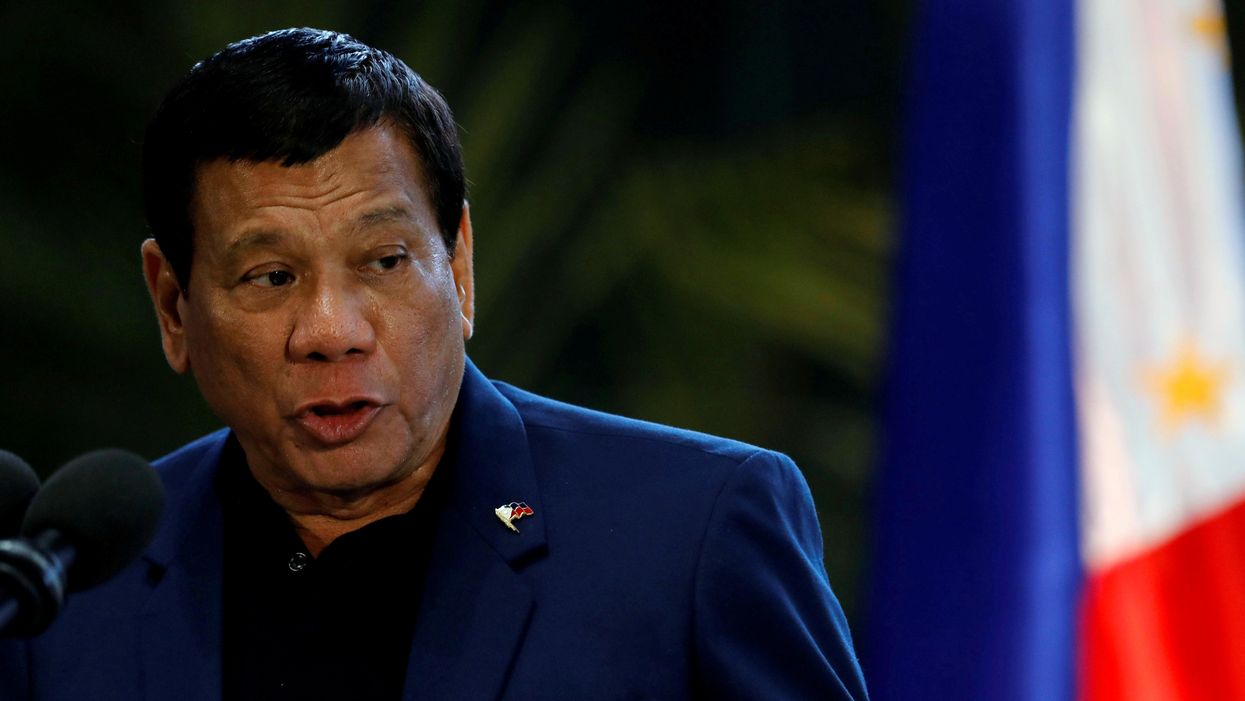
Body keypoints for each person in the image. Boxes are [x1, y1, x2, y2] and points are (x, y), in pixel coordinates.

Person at [0, 28, 868, 700]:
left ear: (458, 266)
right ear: (172, 305)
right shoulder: (64, 592)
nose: (331, 330)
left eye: (384, 261)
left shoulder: (690, 533)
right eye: (271, 276)